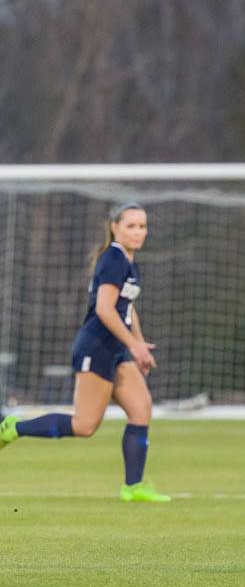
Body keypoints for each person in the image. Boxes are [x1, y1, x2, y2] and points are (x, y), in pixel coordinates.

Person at [0, 203, 170, 503]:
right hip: (97, 348)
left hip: (119, 349)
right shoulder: (113, 259)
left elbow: (127, 309)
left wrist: (139, 344)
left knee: (141, 409)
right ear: (114, 226)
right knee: (84, 425)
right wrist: (133, 345)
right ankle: (13, 426)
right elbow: (105, 310)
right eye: (131, 226)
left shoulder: (130, 263)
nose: (138, 232)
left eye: (142, 226)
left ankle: (133, 487)